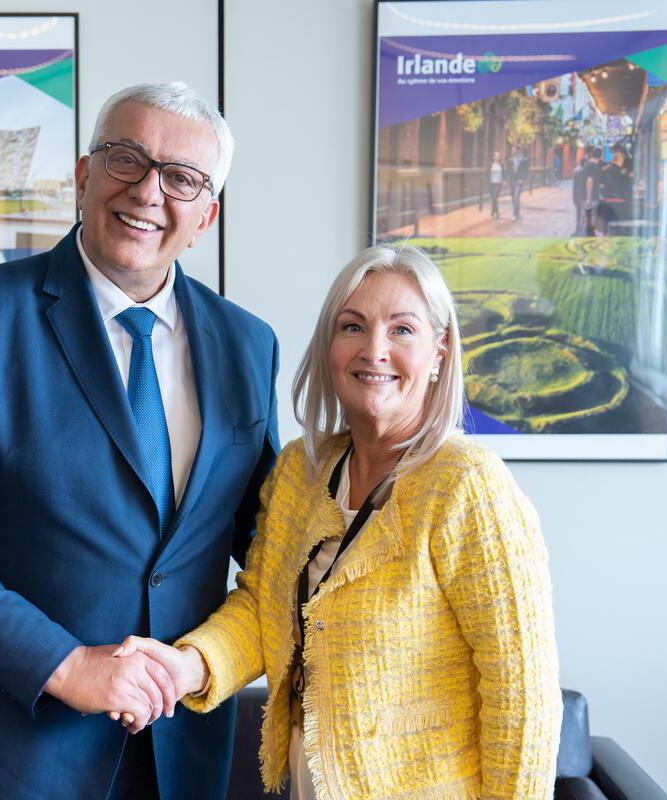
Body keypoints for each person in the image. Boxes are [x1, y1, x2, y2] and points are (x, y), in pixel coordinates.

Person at [0, 82, 281, 800]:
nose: (149, 192)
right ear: (84, 175)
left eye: (182, 179)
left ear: (206, 215)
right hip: (4, 756)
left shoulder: (249, 344)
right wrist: (67, 665)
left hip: (177, 749)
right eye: (127, 160)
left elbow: (267, 544)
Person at [115, 245, 562, 800]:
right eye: (353, 326)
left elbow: (522, 696)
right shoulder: (300, 471)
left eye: (402, 330)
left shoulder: (469, 485)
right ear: (330, 345)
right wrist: (187, 666)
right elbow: (262, 610)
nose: (374, 350)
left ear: (440, 352)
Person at [572, 157, 598, 236]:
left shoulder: (577, 171)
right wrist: (588, 197)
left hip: (578, 197)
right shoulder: (584, 173)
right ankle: (582, 233)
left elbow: (575, 186)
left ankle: (578, 231)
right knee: (586, 217)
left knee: (580, 216)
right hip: (583, 197)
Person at [510, 145, 530, 222]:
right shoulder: (511, 159)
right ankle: (517, 212)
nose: (512, 151)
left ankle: (515, 215)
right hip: (512, 181)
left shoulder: (524, 160)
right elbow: (509, 170)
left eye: (513, 149)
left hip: (519, 182)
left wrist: (522, 179)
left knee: (516, 198)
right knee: (513, 199)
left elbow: (526, 171)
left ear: (518, 150)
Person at [488, 152, 503, 219]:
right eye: (496, 156)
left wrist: (504, 180)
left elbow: (504, 173)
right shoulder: (490, 165)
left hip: (498, 183)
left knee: (495, 197)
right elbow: (487, 173)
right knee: (494, 198)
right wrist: (487, 181)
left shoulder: (501, 165)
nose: (497, 157)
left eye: (498, 156)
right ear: (493, 157)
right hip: (492, 183)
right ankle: (495, 211)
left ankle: (494, 212)